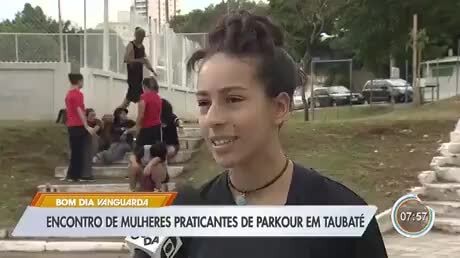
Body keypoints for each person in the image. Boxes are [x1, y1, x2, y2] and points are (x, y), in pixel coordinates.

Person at [134, 11, 387, 258]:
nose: (212, 117)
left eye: (233, 99)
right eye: (204, 103)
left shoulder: (344, 217)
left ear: (279, 108)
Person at [63, 73, 96, 182]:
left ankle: (72, 174)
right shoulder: (78, 94)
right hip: (78, 125)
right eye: (82, 81)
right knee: (80, 151)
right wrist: (86, 125)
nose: (83, 83)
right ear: (79, 81)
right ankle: (76, 175)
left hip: (71, 125)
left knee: (75, 151)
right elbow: (79, 110)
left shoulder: (68, 94)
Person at [120, 27, 158, 109]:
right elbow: (126, 59)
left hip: (138, 76)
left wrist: (152, 70)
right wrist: (139, 61)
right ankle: (118, 113)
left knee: (130, 99)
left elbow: (145, 59)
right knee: (136, 97)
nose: (142, 39)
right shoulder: (131, 45)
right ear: (136, 36)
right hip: (132, 75)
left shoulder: (142, 47)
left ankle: (118, 112)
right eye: (141, 37)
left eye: (143, 37)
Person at [149, 77, 181, 159]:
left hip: (170, 145)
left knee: (162, 153)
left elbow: (175, 120)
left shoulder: (169, 114)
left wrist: (179, 124)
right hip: (157, 146)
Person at [128, 77, 163, 151]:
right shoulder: (158, 98)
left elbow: (141, 114)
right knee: (154, 151)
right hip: (157, 127)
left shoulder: (144, 97)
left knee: (139, 151)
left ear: (145, 86)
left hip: (146, 128)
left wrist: (136, 126)